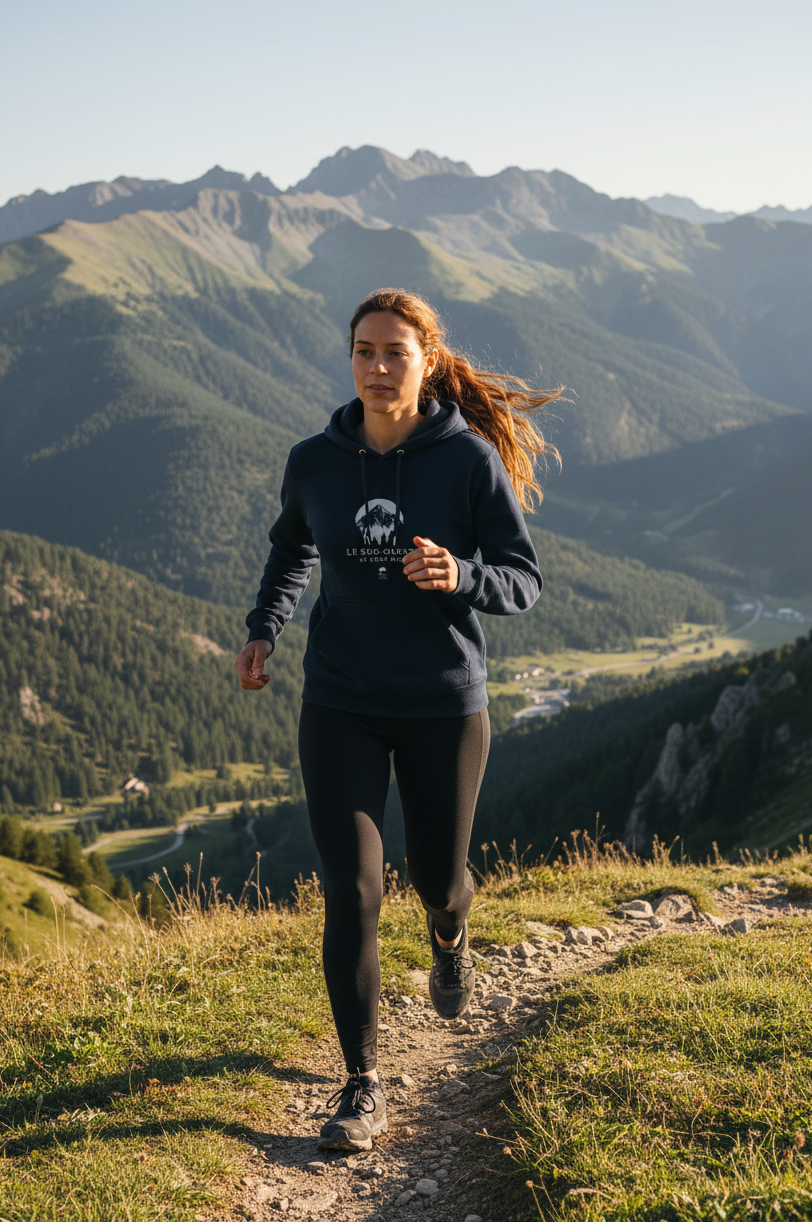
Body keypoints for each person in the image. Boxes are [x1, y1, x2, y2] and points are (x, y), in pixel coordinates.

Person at [234, 288, 560, 1153]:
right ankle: (362, 1084)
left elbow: (523, 579)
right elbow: (292, 548)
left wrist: (462, 575)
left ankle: (452, 935)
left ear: (426, 361)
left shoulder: (467, 462)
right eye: (363, 352)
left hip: (444, 703)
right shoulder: (316, 459)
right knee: (354, 889)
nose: (378, 368)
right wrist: (264, 628)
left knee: (437, 882)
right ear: (350, 359)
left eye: (395, 353)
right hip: (339, 700)